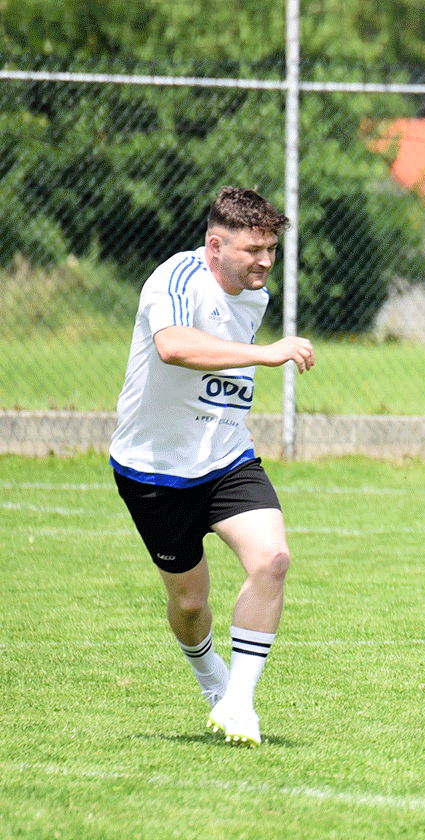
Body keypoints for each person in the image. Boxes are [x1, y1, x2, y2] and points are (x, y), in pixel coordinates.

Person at [109, 186, 314, 747]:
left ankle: (240, 706)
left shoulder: (255, 294)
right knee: (190, 603)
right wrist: (264, 353)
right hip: (154, 472)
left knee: (272, 559)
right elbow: (173, 346)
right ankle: (211, 682)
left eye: (272, 248)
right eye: (254, 250)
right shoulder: (175, 279)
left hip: (226, 458)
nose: (266, 261)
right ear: (214, 244)